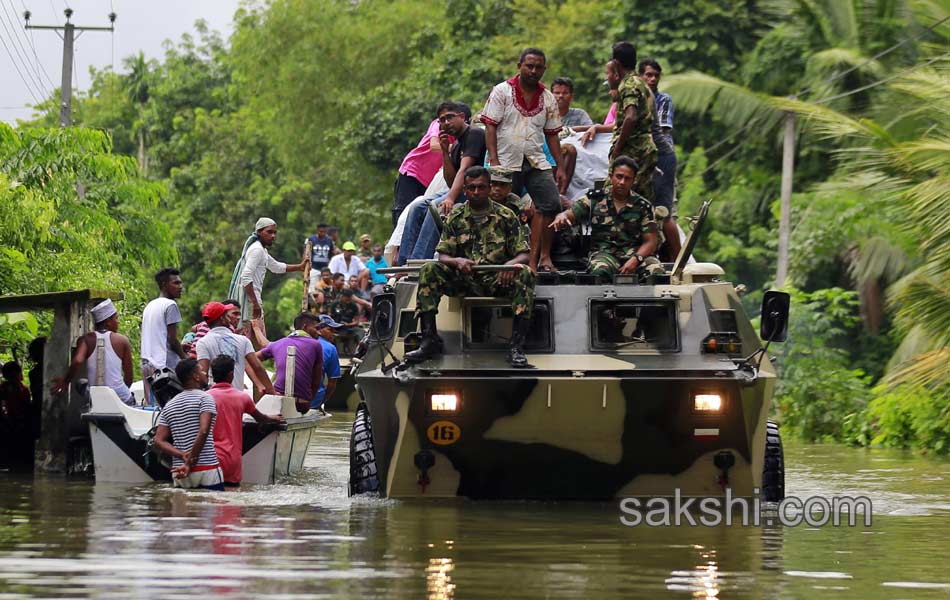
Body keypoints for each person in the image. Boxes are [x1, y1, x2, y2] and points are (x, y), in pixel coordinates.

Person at [406, 166, 535, 367]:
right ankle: (429, 339)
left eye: (481, 187)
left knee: (525, 273)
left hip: (497, 278)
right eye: (471, 188)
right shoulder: (456, 217)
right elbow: (443, 254)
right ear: (465, 190)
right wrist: (456, 261)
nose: (476, 192)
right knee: (429, 270)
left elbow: (524, 253)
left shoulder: (506, 216)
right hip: (464, 278)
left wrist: (510, 265)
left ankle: (516, 346)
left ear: (489, 187)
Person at [482, 47, 564, 273]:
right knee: (500, 208)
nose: (534, 70)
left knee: (550, 203)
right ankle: (499, 259)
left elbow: (553, 134)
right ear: (519, 66)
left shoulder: (547, 97)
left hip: (535, 159)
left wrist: (560, 166)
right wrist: (495, 160)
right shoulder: (502, 91)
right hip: (506, 160)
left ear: (544, 70)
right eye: (529, 66)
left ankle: (541, 258)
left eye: (539, 67)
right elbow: (490, 126)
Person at [400, 101, 485, 264]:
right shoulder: (456, 145)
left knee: (435, 207)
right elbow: (451, 180)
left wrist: (450, 198)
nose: (446, 123)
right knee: (417, 206)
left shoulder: (474, 134)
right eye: (442, 120)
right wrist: (445, 151)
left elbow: (464, 170)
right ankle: (404, 262)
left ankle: (419, 261)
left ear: (461, 117)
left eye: (450, 117)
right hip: (458, 188)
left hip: (474, 190)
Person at [550, 156, 658, 279]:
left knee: (656, 271)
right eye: (619, 177)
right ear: (611, 176)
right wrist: (562, 216)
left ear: (633, 181)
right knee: (600, 271)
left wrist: (635, 259)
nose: (622, 182)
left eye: (627, 179)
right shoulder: (595, 199)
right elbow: (571, 213)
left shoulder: (643, 206)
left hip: (635, 254)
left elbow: (651, 241)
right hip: (604, 254)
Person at [206, 355, 285, 487]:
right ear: (231, 375)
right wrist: (274, 418)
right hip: (232, 460)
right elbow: (261, 418)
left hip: (208, 458)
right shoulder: (242, 397)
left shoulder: (205, 397)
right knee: (231, 502)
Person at [230, 218, 308, 346]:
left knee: (254, 340)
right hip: (250, 301)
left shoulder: (262, 251)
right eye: (269, 232)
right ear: (259, 232)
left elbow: (276, 267)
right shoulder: (257, 250)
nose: (273, 236)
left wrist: (299, 267)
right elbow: (246, 277)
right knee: (253, 341)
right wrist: (255, 303)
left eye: (275, 233)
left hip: (253, 300)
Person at [153, 359, 224, 491]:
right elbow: (203, 431)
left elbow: (158, 440)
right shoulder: (205, 398)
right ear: (195, 376)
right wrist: (189, 461)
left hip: (179, 472)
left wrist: (182, 455)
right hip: (206, 468)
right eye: (202, 371)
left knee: (184, 510)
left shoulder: (170, 405)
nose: (205, 374)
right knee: (215, 508)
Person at [639, 57, 681, 260]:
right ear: (640, 76)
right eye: (648, 75)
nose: (652, 79)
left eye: (656, 75)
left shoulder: (662, 100)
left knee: (664, 212)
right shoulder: (635, 99)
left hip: (661, 158)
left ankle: (677, 261)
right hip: (643, 160)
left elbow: (661, 131)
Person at [52, 299, 134, 405]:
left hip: (95, 398)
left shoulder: (85, 340)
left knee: (81, 385)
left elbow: (77, 360)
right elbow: (129, 377)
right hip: (121, 397)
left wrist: (65, 381)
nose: (118, 322)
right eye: (116, 318)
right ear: (108, 321)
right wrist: (119, 393)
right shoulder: (122, 341)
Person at [608, 42, 657, 203]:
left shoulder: (629, 85)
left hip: (634, 149)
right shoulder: (639, 82)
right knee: (641, 201)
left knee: (613, 196)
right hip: (644, 147)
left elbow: (630, 116)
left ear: (616, 63)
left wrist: (618, 148)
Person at [195, 302, 275, 396]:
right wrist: (272, 391)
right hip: (237, 398)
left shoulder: (203, 342)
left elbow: (203, 373)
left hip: (214, 399)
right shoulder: (242, 340)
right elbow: (258, 367)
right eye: (226, 316)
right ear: (222, 319)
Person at [257, 313, 325, 413]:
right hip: (301, 403)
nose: (319, 333)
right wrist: (309, 399)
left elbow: (251, 359)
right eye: (316, 328)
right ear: (305, 326)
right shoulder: (316, 345)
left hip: (276, 398)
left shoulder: (277, 343)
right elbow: (316, 380)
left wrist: (261, 385)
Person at [392, 116, 451, 226]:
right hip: (413, 173)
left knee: (421, 215)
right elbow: (434, 145)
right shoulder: (438, 124)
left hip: (430, 183)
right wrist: (456, 147)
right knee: (403, 212)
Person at [141, 268, 186, 404]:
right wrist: (186, 358)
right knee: (172, 408)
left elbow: (159, 336)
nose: (180, 287)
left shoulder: (150, 305)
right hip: (163, 367)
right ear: (164, 284)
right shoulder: (170, 305)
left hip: (147, 364)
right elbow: (173, 340)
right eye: (176, 283)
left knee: (153, 409)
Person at [488, 167, 533, 239]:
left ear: (510, 188)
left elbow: (523, 230)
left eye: (502, 185)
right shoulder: (480, 201)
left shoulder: (514, 202)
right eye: (494, 184)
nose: (497, 189)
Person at [312, 315, 343, 410]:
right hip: (314, 400)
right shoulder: (330, 348)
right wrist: (323, 401)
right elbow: (332, 383)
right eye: (330, 330)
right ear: (319, 330)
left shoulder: (297, 341)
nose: (334, 334)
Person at [303, 223, 335, 293]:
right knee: (313, 289)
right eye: (321, 232)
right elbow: (306, 253)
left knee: (326, 288)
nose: (323, 233)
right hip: (314, 268)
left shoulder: (329, 240)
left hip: (325, 269)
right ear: (317, 231)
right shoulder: (311, 239)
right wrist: (305, 266)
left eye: (324, 232)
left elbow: (331, 253)